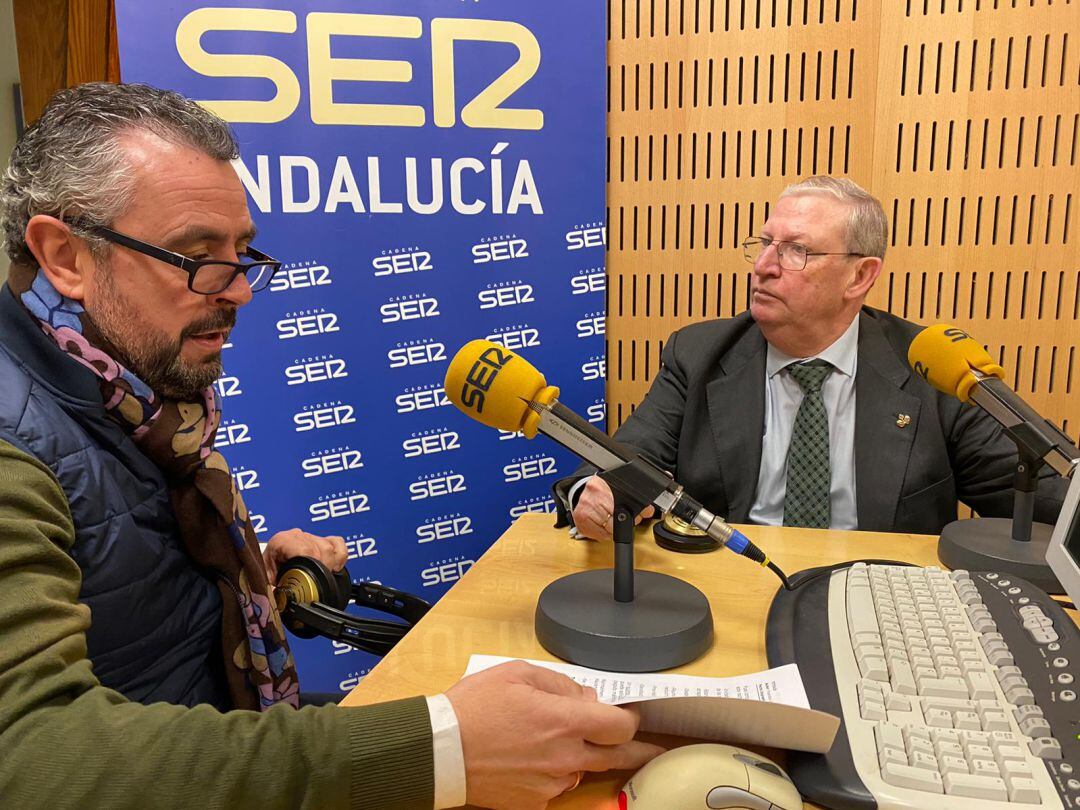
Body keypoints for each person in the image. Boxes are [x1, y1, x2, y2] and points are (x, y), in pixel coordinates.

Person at [0, 82, 661, 810]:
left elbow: (123, 609)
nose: (239, 291)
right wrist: (439, 746)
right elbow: (32, 754)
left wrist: (249, 580)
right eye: (196, 256)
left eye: (242, 253)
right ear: (65, 254)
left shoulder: (127, 395)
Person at [560, 176, 1068, 541]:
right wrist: (599, 491)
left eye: (796, 251)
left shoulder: (929, 369)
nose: (763, 266)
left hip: (883, 600)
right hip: (733, 583)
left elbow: (1041, 493)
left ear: (860, 276)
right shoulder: (699, 354)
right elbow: (623, 459)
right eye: (764, 244)